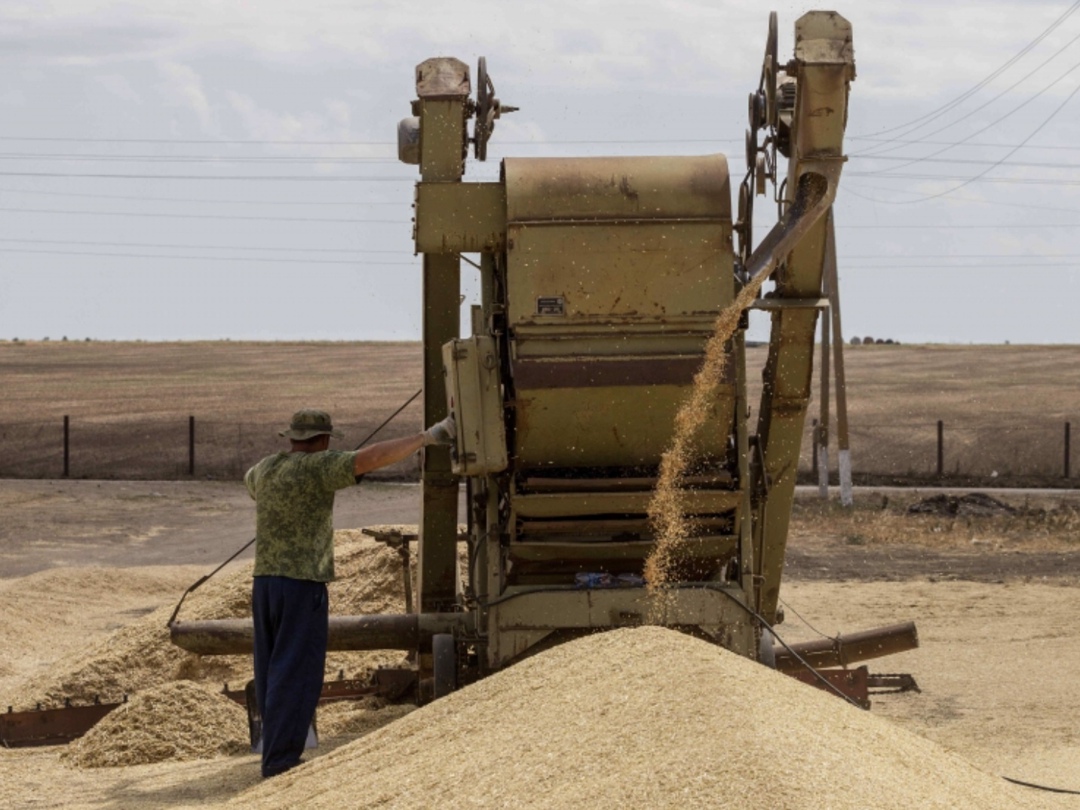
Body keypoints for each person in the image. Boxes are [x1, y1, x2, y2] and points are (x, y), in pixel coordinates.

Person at [244, 407, 455, 778]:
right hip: (301, 583)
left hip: (265, 584)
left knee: (271, 670)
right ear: (323, 442)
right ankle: (280, 763)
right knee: (296, 670)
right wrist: (428, 436)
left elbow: (250, 485)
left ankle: (274, 752)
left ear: (291, 438)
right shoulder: (318, 467)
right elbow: (371, 457)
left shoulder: (264, 469)